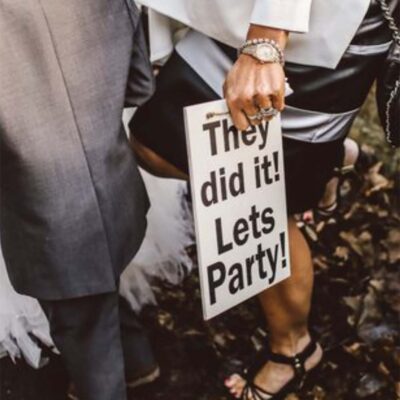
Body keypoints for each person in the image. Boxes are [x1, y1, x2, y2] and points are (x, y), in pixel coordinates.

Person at [127, 0, 397, 398]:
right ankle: (318, 165)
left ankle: (294, 349)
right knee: (149, 143)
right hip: (239, 15)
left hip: (309, 29)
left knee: (256, 197)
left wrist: (265, 42)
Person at [0, 1, 158, 399]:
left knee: (81, 326)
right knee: (98, 292)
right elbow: (140, 84)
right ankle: (139, 363)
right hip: (112, 180)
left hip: (40, 207)